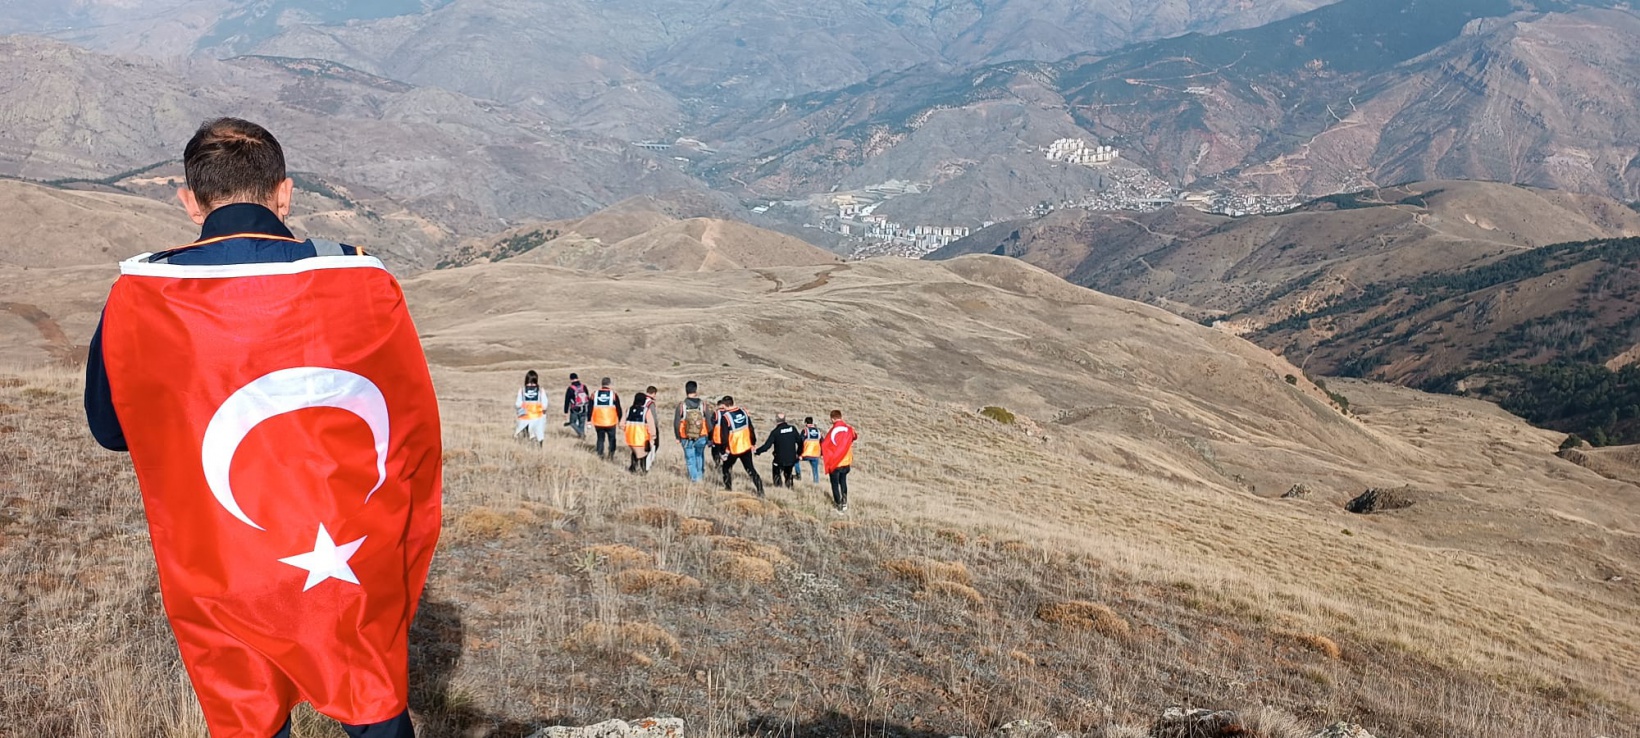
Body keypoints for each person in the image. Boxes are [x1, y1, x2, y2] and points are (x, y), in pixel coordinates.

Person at [83, 118, 436, 738]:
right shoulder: (362, 282)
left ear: (189, 202)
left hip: (221, 562)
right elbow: (407, 420)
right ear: (285, 193)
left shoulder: (138, 295)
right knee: (371, 700)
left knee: (247, 715)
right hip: (345, 556)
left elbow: (111, 431)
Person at [715, 395, 765, 496]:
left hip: (734, 448)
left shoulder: (726, 417)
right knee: (750, 469)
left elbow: (724, 436)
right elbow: (751, 428)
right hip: (746, 446)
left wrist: (723, 451)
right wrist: (753, 443)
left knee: (726, 468)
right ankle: (760, 490)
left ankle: (728, 488)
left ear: (725, 405)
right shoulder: (743, 412)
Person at [674, 380, 712, 483]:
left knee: (690, 459)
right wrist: (710, 437)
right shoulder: (703, 405)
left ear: (686, 390)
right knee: (699, 456)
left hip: (686, 437)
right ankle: (700, 477)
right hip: (702, 435)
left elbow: (677, 423)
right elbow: (708, 421)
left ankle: (694, 479)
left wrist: (677, 437)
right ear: (696, 390)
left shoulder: (681, 406)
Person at [821, 409, 859, 512]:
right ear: (841, 417)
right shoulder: (849, 429)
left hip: (836, 463)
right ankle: (845, 502)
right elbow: (855, 436)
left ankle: (838, 504)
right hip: (846, 462)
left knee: (834, 484)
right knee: (843, 482)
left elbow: (825, 445)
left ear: (832, 419)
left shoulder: (833, 431)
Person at [755, 412, 802, 489]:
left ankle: (778, 488)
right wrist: (798, 453)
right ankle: (789, 487)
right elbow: (800, 442)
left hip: (779, 459)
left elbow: (767, 446)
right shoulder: (793, 429)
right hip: (791, 459)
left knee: (776, 474)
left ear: (776, 420)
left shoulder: (775, 432)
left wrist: (757, 451)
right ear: (785, 419)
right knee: (788, 473)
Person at [623, 388, 658, 474]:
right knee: (644, 455)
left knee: (634, 453)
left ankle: (633, 468)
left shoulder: (628, 410)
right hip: (642, 438)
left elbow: (621, 424)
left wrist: (626, 430)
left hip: (630, 438)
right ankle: (643, 470)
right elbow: (651, 426)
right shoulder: (646, 411)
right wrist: (653, 436)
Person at [589, 377, 622, 460]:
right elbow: (618, 408)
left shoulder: (594, 394)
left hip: (598, 421)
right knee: (612, 439)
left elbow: (590, 408)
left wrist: (589, 420)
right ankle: (611, 455)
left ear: (602, 384)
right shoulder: (613, 394)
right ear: (609, 384)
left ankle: (600, 455)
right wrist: (620, 419)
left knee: (600, 439)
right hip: (610, 421)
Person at [515, 370, 546, 445]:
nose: (531, 384)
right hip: (531, 419)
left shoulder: (522, 390)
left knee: (532, 440)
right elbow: (545, 405)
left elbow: (518, 404)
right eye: (530, 382)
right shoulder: (540, 391)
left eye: (533, 382)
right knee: (531, 439)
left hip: (531, 419)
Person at [563, 372, 591, 440]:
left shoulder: (570, 388)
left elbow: (567, 400)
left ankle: (581, 434)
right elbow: (588, 397)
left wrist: (566, 412)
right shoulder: (584, 386)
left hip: (575, 409)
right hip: (584, 408)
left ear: (571, 379)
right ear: (577, 378)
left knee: (572, 423)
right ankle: (582, 438)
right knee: (582, 424)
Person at [800, 416, 824, 484]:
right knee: (815, 470)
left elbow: (800, 441)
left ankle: (798, 475)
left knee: (795, 461)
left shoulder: (805, 431)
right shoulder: (818, 431)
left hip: (806, 453)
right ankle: (816, 483)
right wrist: (822, 453)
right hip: (816, 454)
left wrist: (799, 453)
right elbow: (823, 442)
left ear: (806, 423)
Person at [642, 385, 660, 472]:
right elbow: (653, 417)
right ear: (653, 393)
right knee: (654, 446)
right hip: (650, 427)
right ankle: (647, 465)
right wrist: (655, 428)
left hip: (641, 426)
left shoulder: (642, 401)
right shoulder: (650, 403)